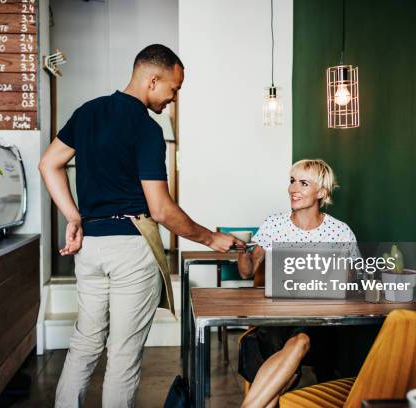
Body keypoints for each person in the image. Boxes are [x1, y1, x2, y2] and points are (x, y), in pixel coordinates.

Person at [39, 44, 244, 408]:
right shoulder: (147, 129)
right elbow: (162, 210)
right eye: (174, 88)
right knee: (122, 355)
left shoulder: (87, 112)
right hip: (131, 249)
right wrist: (211, 238)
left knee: (84, 343)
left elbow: (49, 164)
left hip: (90, 247)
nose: (174, 98)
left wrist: (74, 216)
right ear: (153, 79)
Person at [237, 159, 359, 408]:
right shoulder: (274, 225)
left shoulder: (340, 231)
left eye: (304, 183)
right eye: (292, 181)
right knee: (289, 353)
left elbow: (353, 282)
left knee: (301, 339)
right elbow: (247, 273)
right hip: (277, 319)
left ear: (322, 192)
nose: (294, 188)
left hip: (319, 321)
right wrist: (241, 250)